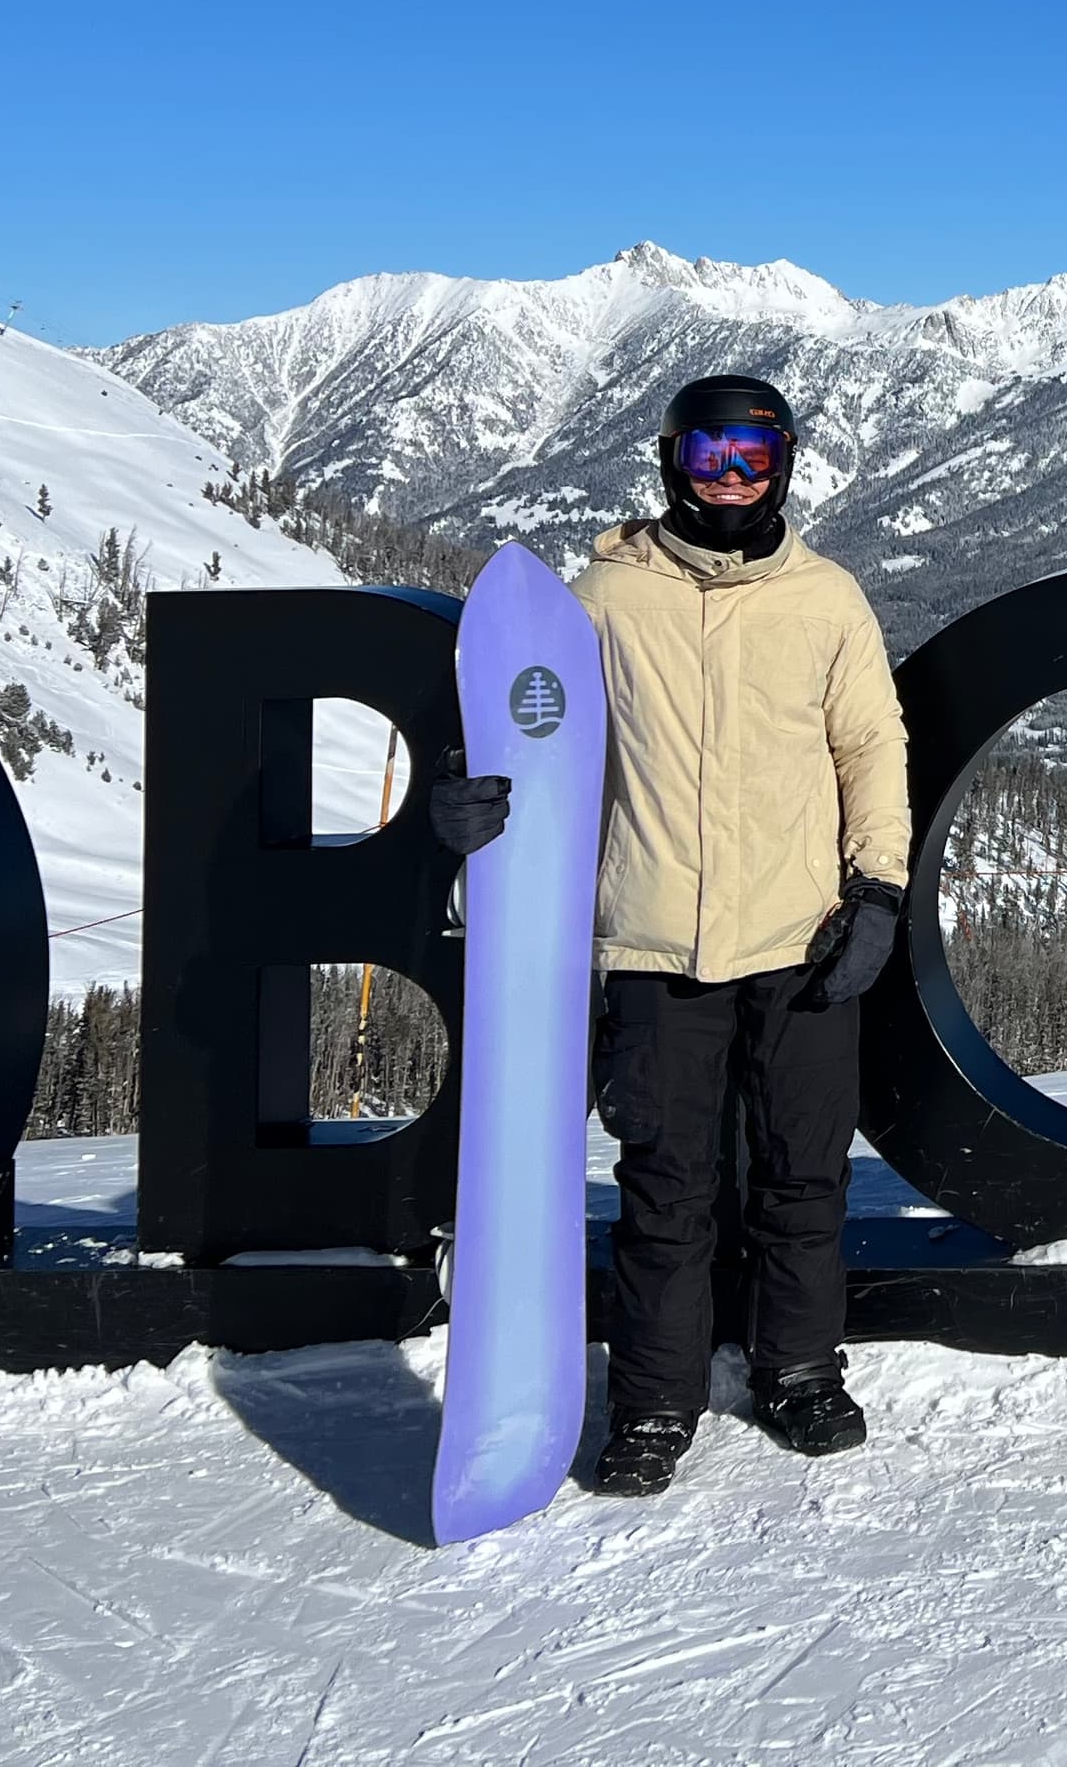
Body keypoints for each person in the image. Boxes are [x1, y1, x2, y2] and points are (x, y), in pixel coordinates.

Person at [416, 372, 910, 1499]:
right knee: (666, 1188)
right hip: (650, 947)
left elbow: (870, 749)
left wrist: (876, 888)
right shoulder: (603, 600)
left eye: (755, 456)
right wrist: (464, 804)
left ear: (788, 464)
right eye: (708, 457)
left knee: (802, 1178)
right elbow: (530, 735)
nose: (732, 480)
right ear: (667, 461)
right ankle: (651, 1404)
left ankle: (796, 1369)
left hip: (802, 940)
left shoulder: (827, 599)